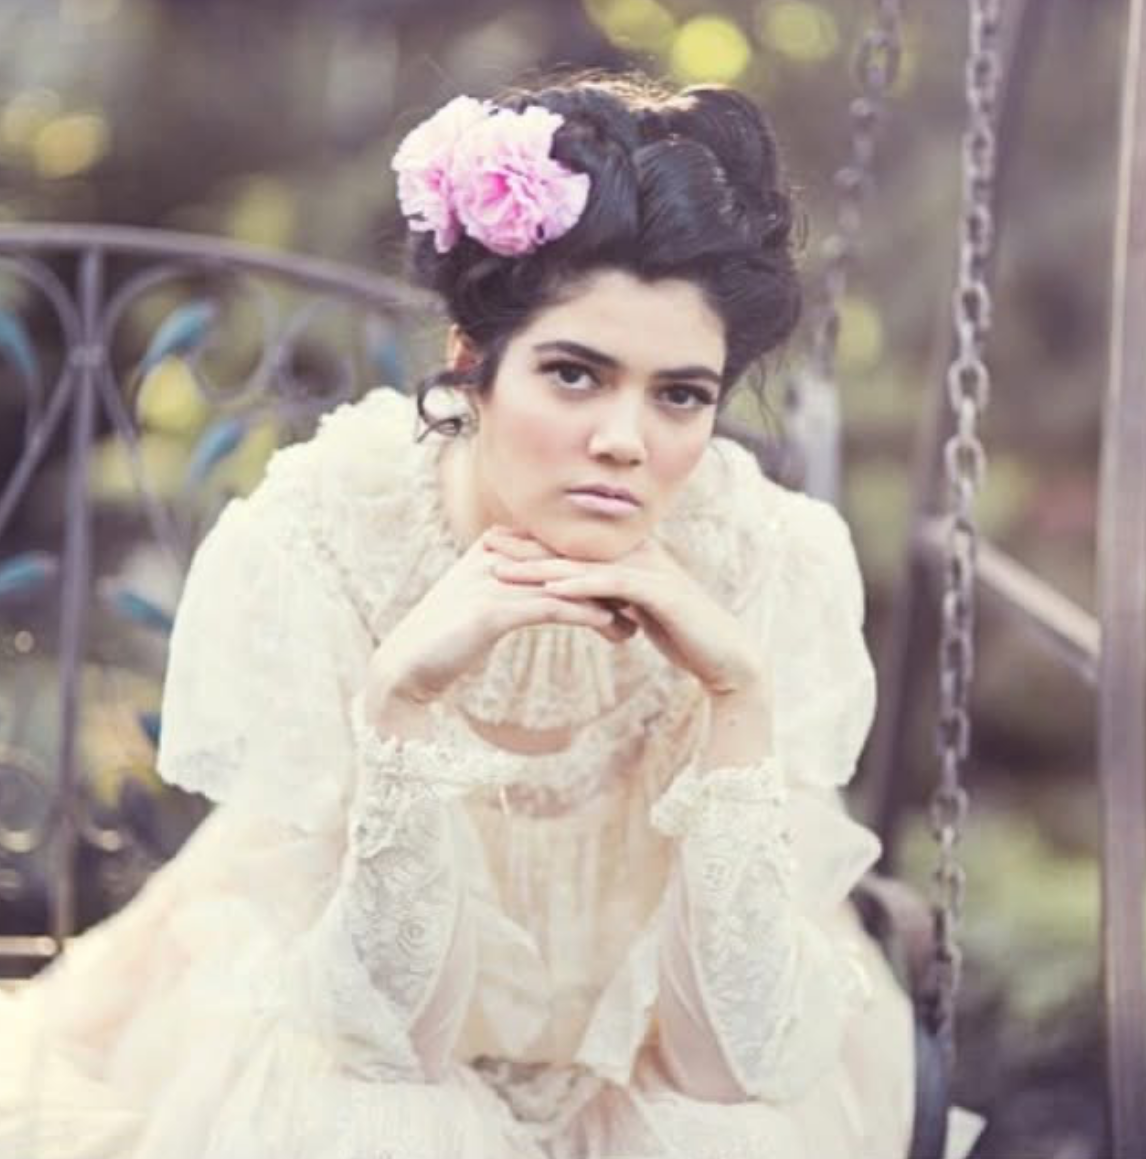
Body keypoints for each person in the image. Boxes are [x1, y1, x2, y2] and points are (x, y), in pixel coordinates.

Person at [0, 70, 985, 1158]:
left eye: (680, 394)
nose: (626, 440)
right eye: (574, 374)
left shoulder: (769, 560)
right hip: (363, 1036)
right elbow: (386, 1048)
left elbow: (725, 1070)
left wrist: (737, 699)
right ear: (472, 365)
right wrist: (404, 699)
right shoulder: (322, 538)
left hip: (649, 1066)